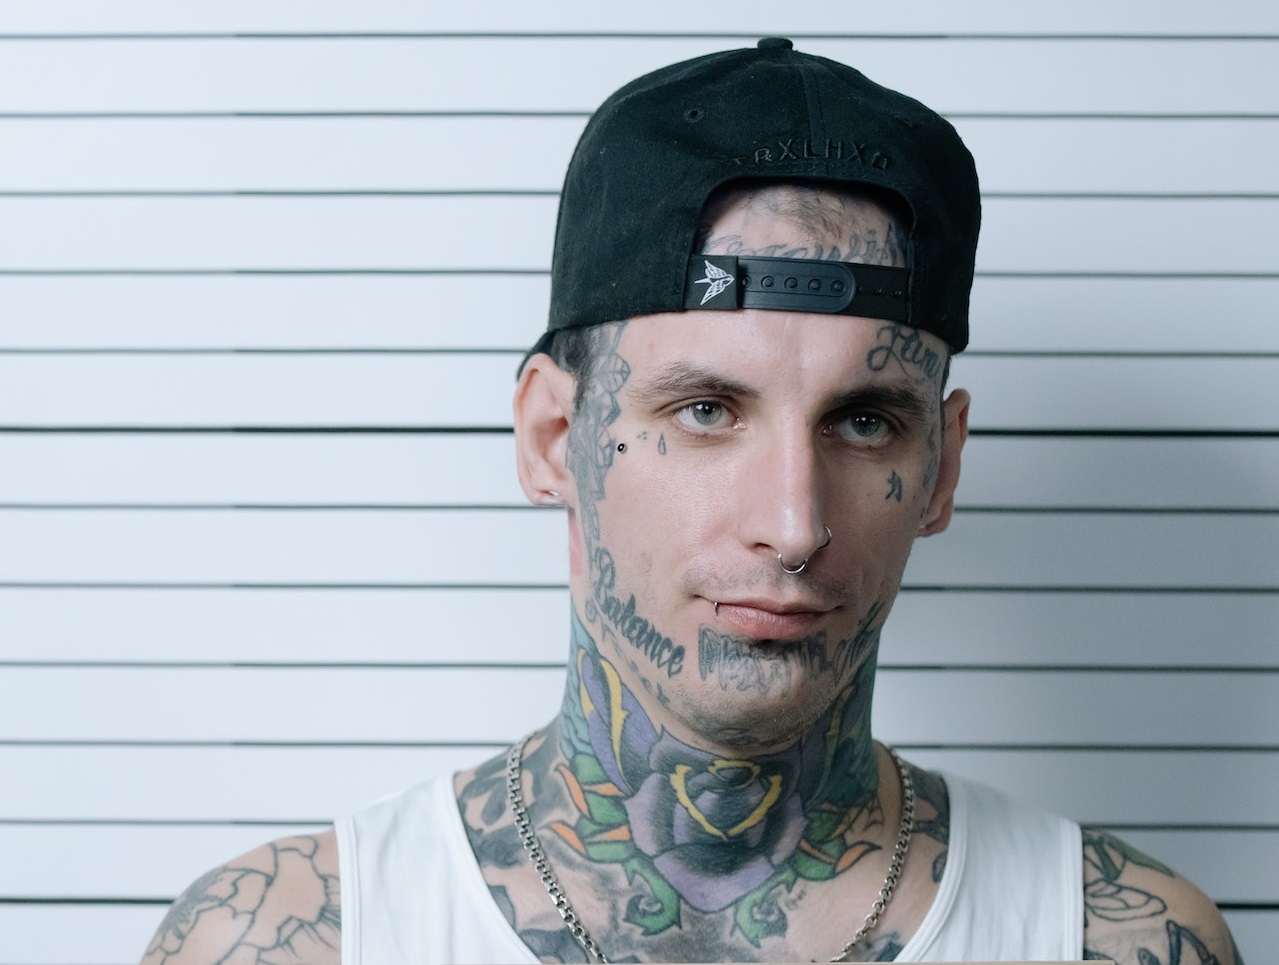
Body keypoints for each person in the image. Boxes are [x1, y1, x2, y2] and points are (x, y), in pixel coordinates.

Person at [139, 39, 1241, 965]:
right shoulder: (292, 937)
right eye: (707, 409)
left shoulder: (1111, 937)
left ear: (940, 467)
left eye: (865, 420)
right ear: (553, 439)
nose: (794, 523)